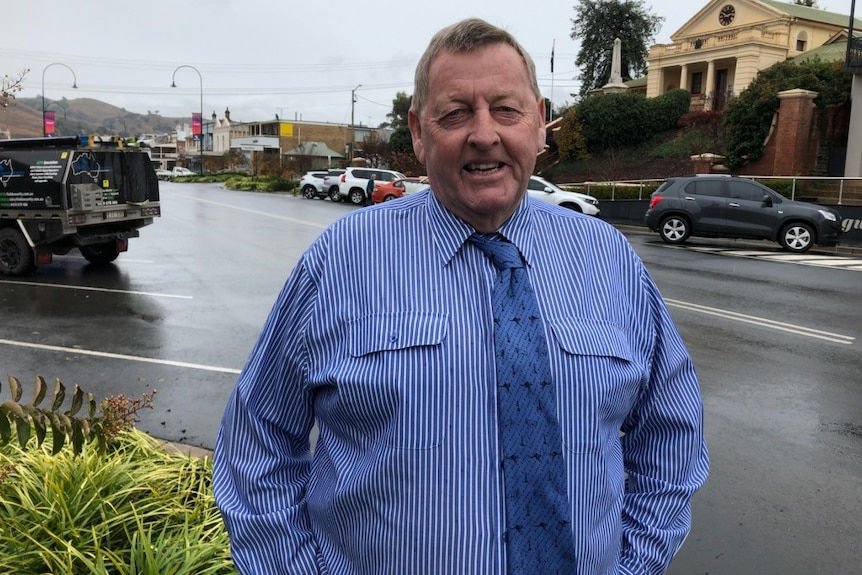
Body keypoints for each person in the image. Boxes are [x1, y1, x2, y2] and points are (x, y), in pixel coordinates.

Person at [213, 17, 708, 575]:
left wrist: (633, 565)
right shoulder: (340, 261)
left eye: (506, 108)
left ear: (540, 123)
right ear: (418, 133)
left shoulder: (607, 258)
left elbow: (671, 430)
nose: (484, 134)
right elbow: (257, 446)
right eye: (454, 113)